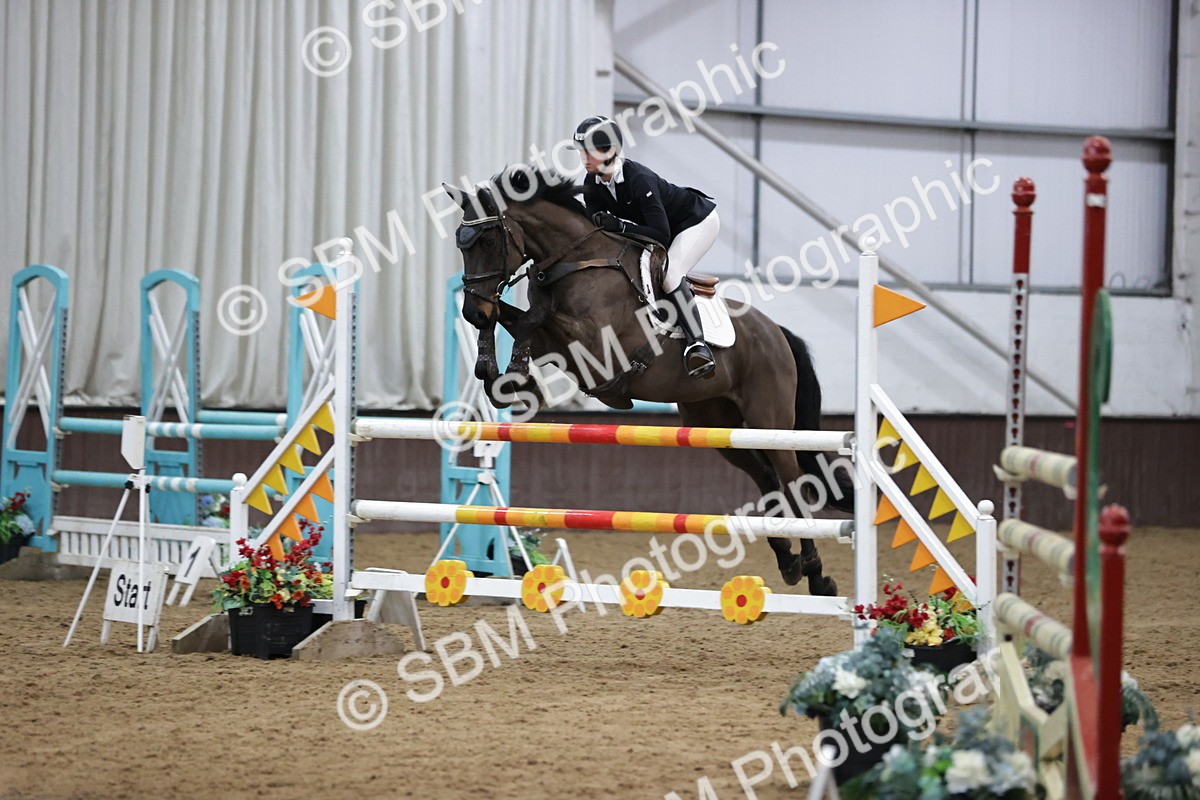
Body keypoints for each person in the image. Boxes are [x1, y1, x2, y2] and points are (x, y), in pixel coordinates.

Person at [574, 115, 719, 379]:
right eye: (581, 150)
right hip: (661, 228)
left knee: (670, 272)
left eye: (589, 151)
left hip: (696, 222)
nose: (583, 157)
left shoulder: (638, 178)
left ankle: (698, 344)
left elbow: (661, 234)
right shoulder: (592, 184)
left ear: (610, 152)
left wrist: (620, 226)